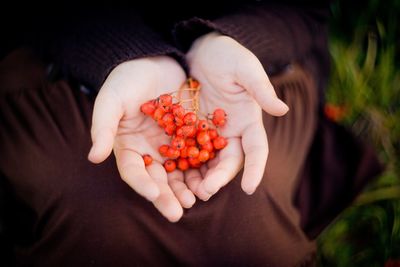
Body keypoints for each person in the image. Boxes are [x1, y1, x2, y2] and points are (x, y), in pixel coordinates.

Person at [0, 1, 382, 266]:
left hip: (253, 62)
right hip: (69, 62)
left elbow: (303, 10)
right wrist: (129, 54)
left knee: (247, 225)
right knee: (99, 224)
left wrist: (224, 40)